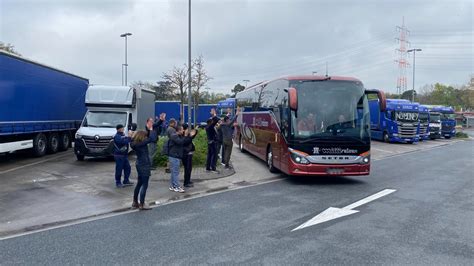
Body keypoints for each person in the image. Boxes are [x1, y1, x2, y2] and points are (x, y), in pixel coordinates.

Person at [130, 124, 157, 210]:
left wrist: (148, 130)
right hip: (144, 164)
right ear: (142, 137)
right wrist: (151, 129)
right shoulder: (142, 143)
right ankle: (142, 204)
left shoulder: (135, 143)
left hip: (139, 163)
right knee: (144, 185)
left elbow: (148, 136)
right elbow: (152, 139)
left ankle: (135, 202)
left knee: (139, 183)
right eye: (145, 136)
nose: (146, 137)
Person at [167, 123, 195, 192]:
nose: (183, 131)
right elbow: (181, 142)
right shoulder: (174, 136)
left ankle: (173, 185)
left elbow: (185, 140)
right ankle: (177, 186)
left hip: (175, 156)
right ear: (178, 130)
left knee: (174, 172)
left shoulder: (177, 136)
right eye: (182, 130)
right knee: (175, 172)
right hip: (174, 156)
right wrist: (186, 135)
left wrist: (190, 136)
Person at [205, 108, 220, 173]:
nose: (213, 122)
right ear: (210, 122)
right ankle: (213, 168)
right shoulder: (210, 127)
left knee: (209, 155)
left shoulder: (207, 127)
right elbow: (216, 120)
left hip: (209, 142)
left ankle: (208, 167)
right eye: (212, 122)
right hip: (213, 143)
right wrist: (214, 114)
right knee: (214, 155)